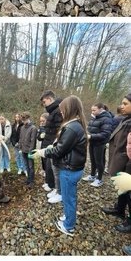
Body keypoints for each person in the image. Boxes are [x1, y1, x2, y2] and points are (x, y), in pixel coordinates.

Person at [31, 95, 87, 236]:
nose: (61, 113)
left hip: (69, 170)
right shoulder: (75, 125)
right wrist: (53, 145)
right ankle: (69, 217)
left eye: (63, 110)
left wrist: (43, 152)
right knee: (69, 197)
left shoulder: (72, 128)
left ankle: (69, 226)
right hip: (73, 168)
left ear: (69, 109)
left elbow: (59, 150)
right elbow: (63, 145)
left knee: (69, 199)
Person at [102, 92, 131, 233]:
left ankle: (130, 222)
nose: (122, 106)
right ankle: (119, 209)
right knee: (123, 189)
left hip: (128, 164)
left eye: (125, 104)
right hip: (121, 161)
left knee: (130, 193)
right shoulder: (126, 119)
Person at [39, 91, 63, 201]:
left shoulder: (58, 111)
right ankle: (52, 186)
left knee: (54, 168)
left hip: (53, 144)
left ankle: (56, 189)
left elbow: (59, 130)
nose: (44, 104)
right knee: (49, 167)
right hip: (49, 142)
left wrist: (55, 144)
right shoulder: (53, 111)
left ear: (49, 99)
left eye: (44, 102)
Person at [85, 104, 115, 186]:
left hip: (100, 143)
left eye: (94, 110)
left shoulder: (106, 119)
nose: (92, 112)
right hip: (92, 141)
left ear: (101, 109)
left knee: (99, 161)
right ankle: (92, 175)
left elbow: (106, 133)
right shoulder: (95, 117)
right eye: (92, 110)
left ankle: (99, 179)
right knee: (92, 160)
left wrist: (91, 136)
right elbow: (91, 128)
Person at [18, 112, 38, 188]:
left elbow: (33, 141)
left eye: (24, 120)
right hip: (23, 150)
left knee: (31, 166)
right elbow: (21, 138)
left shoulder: (33, 128)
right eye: (22, 120)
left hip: (29, 151)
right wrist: (20, 147)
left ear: (28, 119)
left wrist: (31, 151)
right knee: (26, 166)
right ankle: (28, 179)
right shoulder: (22, 128)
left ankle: (31, 181)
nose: (23, 122)